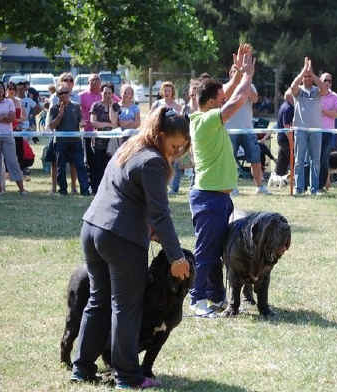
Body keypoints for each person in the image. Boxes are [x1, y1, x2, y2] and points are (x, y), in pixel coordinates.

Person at [70, 107, 191, 389]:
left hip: (92, 229)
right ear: (160, 136)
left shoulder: (131, 146)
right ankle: (127, 376)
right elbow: (161, 214)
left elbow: (126, 195)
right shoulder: (153, 162)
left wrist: (149, 230)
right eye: (173, 145)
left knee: (98, 301)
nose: (176, 152)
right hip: (119, 238)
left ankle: (82, 368)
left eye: (182, 147)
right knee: (126, 307)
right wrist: (176, 257)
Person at [188, 44, 255, 316]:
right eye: (219, 97)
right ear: (213, 101)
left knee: (216, 251)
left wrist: (238, 72)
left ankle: (216, 297)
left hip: (218, 197)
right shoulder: (206, 121)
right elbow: (237, 100)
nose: (223, 97)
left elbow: (227, 91)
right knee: (205, 252)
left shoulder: (205, 116)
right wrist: (247, 76)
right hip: (209, 198)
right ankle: (197, 300)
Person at [225, 64, 270, 195]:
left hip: (248, 130)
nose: (237, 73)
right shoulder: (227, 87)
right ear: (230, 73)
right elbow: (225, 98)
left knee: (255, 159)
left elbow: (255, 99)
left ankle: (260, 187)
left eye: (239, 71)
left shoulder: (249, 85)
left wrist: (247, 80)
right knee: (230, 160)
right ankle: (231, 187)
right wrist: (237, 82)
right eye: (234, 71)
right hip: (230, 131)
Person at [290, 57, 328, 196]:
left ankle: (314, 189)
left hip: (316, 130)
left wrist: (312, 74)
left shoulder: (318, 91)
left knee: (315, 160)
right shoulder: (298, 91)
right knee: (299, 160)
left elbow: (325, 89)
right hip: (300, 130)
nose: (306, 79)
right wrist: (303, 72)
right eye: (305, 77)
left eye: (309, 77)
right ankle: (299, 188)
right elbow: (292, 87)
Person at [48, 83, 90, 195]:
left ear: (70, 93)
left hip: (75, 141)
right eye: (61, 93)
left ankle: (85, 190)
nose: (64, 95)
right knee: (60, 167)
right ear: (57, 95)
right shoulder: (54, 108)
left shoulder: (76, 106)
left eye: (66, 92)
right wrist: (60, 115)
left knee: (80, 166)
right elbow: (51, 126)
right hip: (60, 142)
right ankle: (63, 190)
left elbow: (81, 120)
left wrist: (82, 123)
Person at [90, 84, 119, 192]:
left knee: (111, 166)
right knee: (98, 166)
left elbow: (115, 122)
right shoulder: (96, 105)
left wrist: (111, 106)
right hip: (98, 142)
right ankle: (95, 189)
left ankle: (110, 189)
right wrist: (108, 125)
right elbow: (94, 122)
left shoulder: (116, 106)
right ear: (101, 93)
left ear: (112, 94)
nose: (107, 95)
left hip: (111, 143)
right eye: (105, 92)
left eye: (109, 93)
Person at [0, 81, 26, 194]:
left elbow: (12, 118)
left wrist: (3, 117)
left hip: (7, 136)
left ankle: (21, 189)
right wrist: (4, 116)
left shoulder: (9, 101)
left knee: (12, 162)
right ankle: (0, 190)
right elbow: (8, 117)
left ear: (4, 90)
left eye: (1, 88)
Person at [79, 74, 102, 193]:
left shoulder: (104, 95)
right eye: (92, 81)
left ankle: (97, 186)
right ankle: (88, 186)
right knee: (88, 161)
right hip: (87, 133)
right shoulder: (82, 96)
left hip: (100, 135)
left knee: (99, 161)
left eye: (97, 81)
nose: (95, 83)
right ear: (89, 82)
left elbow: (118, 103)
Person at [319, 72, 337, 190]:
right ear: (320, 81)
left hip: (327, 132)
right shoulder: (315, 94)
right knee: (313, 159)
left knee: (324, 159)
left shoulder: (335, 96)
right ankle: (310, 184)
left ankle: (321, 186)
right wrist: (329, 112)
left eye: (330, 81)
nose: (327, 83)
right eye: (325, 80)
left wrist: (323, 112)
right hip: (314, 132)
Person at [273, 88, 294, 178]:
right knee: (293, 158)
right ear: (290, 97)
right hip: (286, 139)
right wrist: (291, 142)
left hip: (282, 138)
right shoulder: (288, 108)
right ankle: (294, 178)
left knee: (282, 159)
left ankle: (277, 175)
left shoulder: (284, 106)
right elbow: (287, 127)